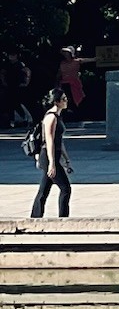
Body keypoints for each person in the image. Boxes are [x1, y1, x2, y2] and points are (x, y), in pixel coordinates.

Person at [28, 87, 73, 219]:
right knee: (65, 188)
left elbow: (59, 141)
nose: (66, 101)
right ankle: (63, 219)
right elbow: (49, 141)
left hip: (54, 155)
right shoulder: (51, 117)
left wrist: (66, 159)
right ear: (56, 102)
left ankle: (35, 217)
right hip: (47, 156)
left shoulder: (58, 117)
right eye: (63, 99)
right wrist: (52, 164)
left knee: (44, 190)